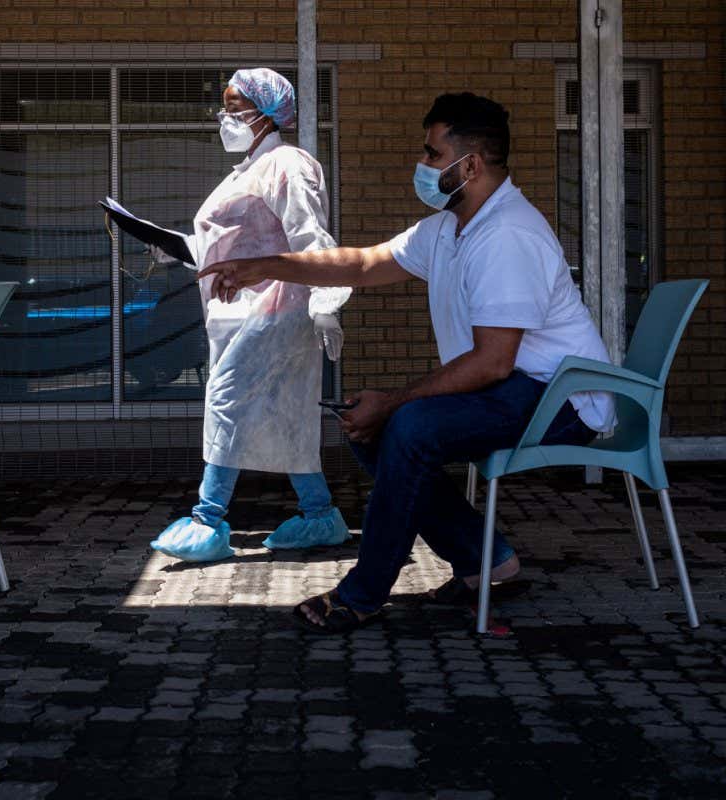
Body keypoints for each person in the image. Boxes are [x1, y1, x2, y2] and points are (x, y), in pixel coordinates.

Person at [198, 92, 616, 632]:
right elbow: (364, 263)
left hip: (563, 396)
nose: (421, 167)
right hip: (517, 384)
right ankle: (487, 563)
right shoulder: (450, 228)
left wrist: (393, 402)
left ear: (470, 165)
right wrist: (266, 266)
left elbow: (492, 362)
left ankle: (365, 592)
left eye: (431, 155)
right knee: (371, 426)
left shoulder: (508, 234)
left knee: (409, 425)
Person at [149, 68, 353, 563]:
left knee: (227, 400)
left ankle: (207, 518)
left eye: (235, 107)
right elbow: (231, 241)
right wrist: (173, 248)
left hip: (280, 308)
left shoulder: (288, 164)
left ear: (267, 113)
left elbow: (311, 238)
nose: (225, 117)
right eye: (223, 106)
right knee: (284, 411)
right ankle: (319, 514)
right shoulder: (246, 170)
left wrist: (327, 306)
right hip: (244, 311)